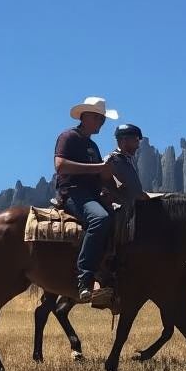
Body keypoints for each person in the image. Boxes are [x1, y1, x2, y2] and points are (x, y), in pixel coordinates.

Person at [54, 97, 118, 302]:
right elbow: (60, 165)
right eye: (99, 118)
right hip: (73, 194)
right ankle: (85, 276)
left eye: (103, 119)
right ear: (87, 117)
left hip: (91, 195)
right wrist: (100, 168)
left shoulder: (93, 146)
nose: (102, 123)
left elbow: (101, 177)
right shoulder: (68, 137)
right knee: (100, 219)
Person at [105, 123, 150, 210]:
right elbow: (134, 192)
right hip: (119, 207)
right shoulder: (116, 160)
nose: (138, 146)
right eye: (136, 141)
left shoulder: (124, 160)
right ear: (124, 140)